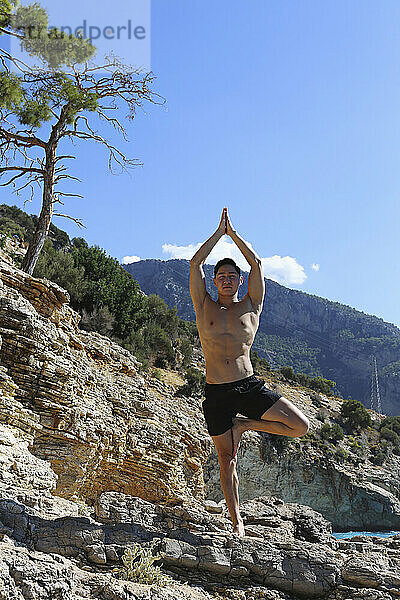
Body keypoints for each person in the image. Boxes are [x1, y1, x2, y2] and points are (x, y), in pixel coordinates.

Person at [189, 207, 310, 538]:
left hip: (249, 386)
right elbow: (194, 264)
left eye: (232, 276)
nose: (227, 280)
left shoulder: (251, 305)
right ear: (214, 282)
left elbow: (257, 264)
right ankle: (236, 521)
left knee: (300, 426)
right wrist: (218, 235)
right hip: (216, 392)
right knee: (226, 460)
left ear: (239, 281)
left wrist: (234, 235)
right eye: (221, 277)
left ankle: (246, 425)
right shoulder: (204, 306)